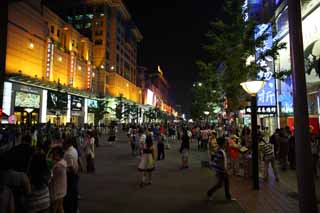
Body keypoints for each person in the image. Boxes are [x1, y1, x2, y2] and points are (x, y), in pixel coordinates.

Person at [207, 137, 233, 201]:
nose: (226, 143)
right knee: (220, 184)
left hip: (222, 170)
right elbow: (218, 161)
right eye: (225, 142)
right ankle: (209, 193)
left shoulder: (221, 150)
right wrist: (223, 169)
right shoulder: (220, 151)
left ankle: (228, 197)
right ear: (223, 143)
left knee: (226, 183)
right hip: (222, 171)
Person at [63, 137, 79, 213]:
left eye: (65, 143)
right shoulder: (74, 150)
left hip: (70, 175)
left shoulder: (68, 153)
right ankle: (75, 208)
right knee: (74, 193)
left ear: (68, 144)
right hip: (75, 174)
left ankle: (71, 209)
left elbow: (71, 167)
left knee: (69, 195)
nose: (63, 145)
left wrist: (63, 168)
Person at [50, 146, 67, 213]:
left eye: (54, 154)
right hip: (62, 190)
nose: (52, 156)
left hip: (57, 191)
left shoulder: (58, 165)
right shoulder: (63, 162)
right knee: (60, 208)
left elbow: (51, 177)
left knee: (53, 209)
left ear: (58, 155)